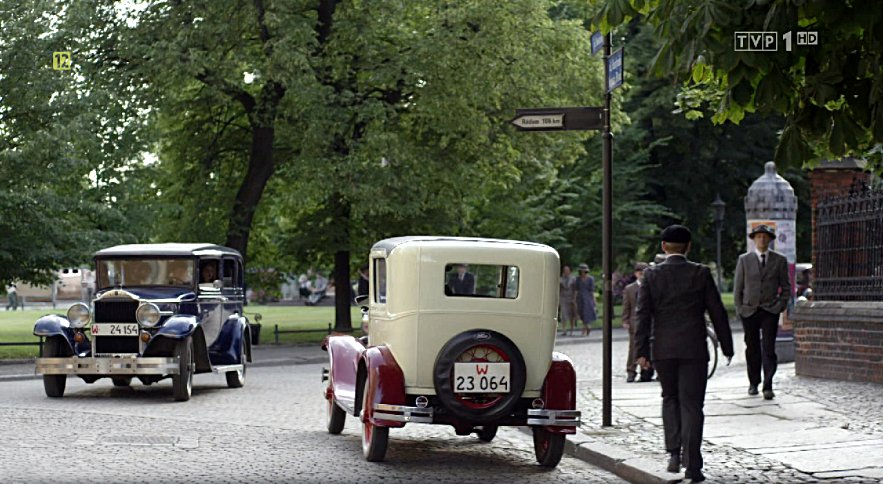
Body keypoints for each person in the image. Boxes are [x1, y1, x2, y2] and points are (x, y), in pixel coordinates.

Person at [635, 225, 734, 482]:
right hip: (693, 349)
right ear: (688, 247)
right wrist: (726, 345)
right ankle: (693, 465)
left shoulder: (651, 276)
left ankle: (673, 454)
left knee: (669, 399)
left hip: (663, 349)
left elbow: (642, 315)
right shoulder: (700, 273)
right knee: (692, 405)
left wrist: (641, 351)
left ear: (663, 247)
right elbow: (717, 311)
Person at [733, 224, 791, 400]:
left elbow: (786, 287)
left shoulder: (779, 260)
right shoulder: (744, 260)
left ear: (770, 240)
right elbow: (738, 288)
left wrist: (780, 305)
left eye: (765, 237)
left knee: (768, 348)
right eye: (759, 237)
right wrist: (740, 309)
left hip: (769, 309)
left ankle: (768, 384)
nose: (762, 240)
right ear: (754, 239)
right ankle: (753, 383)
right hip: (749, 309)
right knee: (752, 348)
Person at [622, 262, 652, 382]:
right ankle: (631, 371)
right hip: (635, 321)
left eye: (644, 273)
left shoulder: (651, 286)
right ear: (636, 274)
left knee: (649, 346)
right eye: (640, 273)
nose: (642, 275)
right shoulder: (630, 289)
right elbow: (626, 306)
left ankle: (646, 371)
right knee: (633, 348)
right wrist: (625, 319)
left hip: (648, 321)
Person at [574, 263, 597, 336]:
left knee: (587, 313)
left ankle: (586, 328)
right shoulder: (577, 279)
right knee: (581, 313)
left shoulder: (590, 279)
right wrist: (574, 299)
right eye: (582, 271)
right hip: (580, 298)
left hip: (588, 297)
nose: (583, 273)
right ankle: (586, 328)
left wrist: (594, 300)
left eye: (584, 271)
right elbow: (576, 290)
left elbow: (592, 290)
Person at [559, 265, 578, 336]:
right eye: (565, 270)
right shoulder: (560, 279)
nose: (566, 271)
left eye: (567, 270)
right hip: (563, 298)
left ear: (570, 271)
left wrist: (574, 298)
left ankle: (571, 330)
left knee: (571, 315)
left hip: (571, 298)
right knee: (563, 314)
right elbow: (559, 289)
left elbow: (575, 289)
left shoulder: (573, 279)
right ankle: (564, 330)